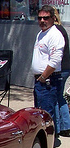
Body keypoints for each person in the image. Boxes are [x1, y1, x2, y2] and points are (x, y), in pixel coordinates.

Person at [32, 5, 65, 125]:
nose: (42, 21)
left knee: (46, 115)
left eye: (45, 18)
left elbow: (55, 61)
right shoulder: (41, 33)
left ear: (53, 18)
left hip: (48, 81)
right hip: (40, 81)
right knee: (39, 113)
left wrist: (43, 77)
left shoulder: (55, 35)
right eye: (39, 18)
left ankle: (49, 141)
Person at [52, 7, 70, 137]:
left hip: (60, 69)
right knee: (60, 97)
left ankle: (57, 128)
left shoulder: (56, 31)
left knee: (55, 98)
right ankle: (66, 126)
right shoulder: (61, 29)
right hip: (65, 68)